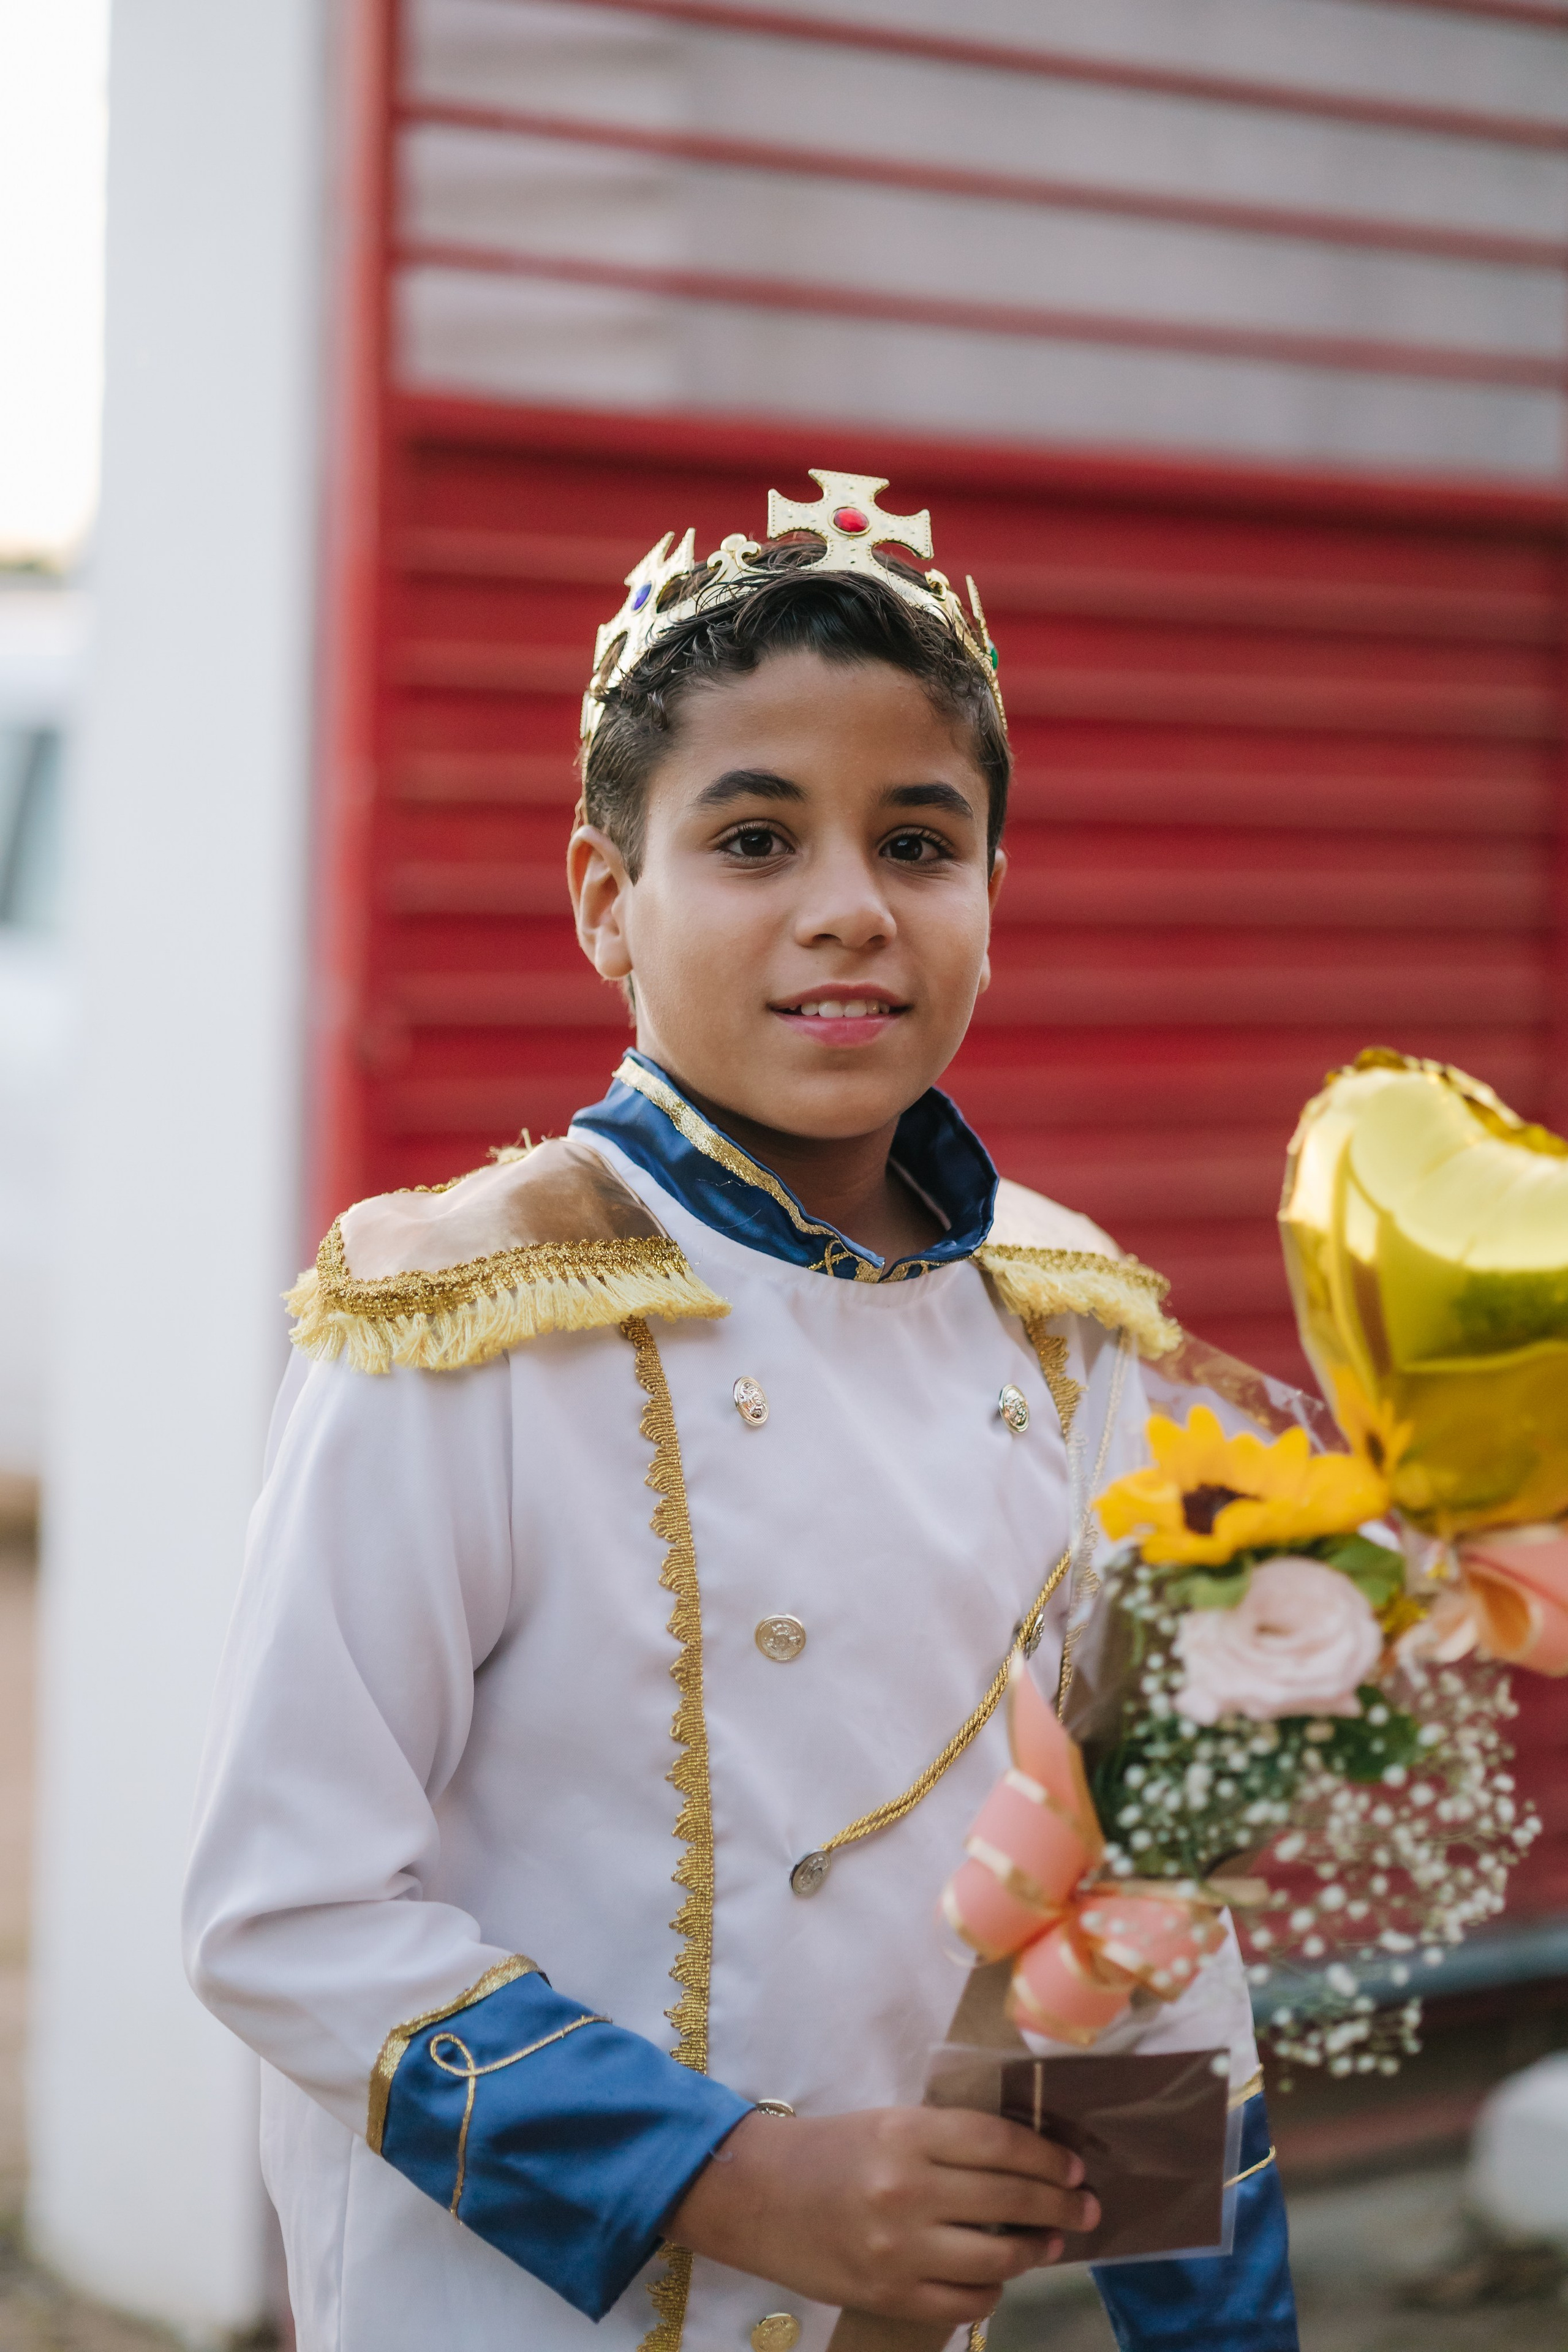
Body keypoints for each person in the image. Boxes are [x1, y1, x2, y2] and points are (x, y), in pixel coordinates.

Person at [183, 472, 1298, 2352]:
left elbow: (1130, 1897)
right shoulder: (462, 1320)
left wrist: (1213, 2324)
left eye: (921, 846)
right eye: (759, 839)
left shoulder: (1078, 1335)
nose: (850, 911)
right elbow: (283, 1915)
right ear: (609, 902)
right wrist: (745, 2179)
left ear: (993, 898)